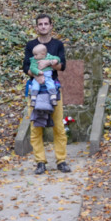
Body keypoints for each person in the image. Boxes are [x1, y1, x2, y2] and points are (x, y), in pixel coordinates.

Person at [23, 14, 71, 175]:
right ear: (36, 27)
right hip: (35, 90)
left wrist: (49, 62)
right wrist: (36, 74)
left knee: (58, 126)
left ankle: (61, 160)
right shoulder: (31, 45)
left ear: (51, 26)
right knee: (36, 126)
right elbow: (25, 68)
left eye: (46, 24)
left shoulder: (57, 44)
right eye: (40, 24)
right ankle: (40, 162)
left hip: (53, 90)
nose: (43, 26)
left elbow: (62, 66)